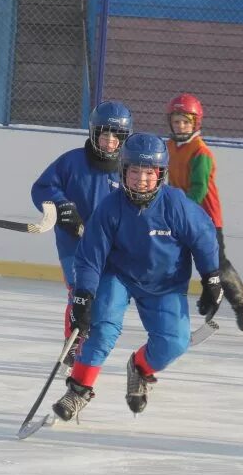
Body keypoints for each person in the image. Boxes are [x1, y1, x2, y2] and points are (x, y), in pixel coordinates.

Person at [50, 133, 221, 421]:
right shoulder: (109, 208)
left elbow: (204, 238)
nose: (141, 179)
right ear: (124, 172)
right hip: (119, 275)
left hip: (164, 283)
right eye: (134, 172)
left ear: (160, 174)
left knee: (174, 343)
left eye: (148, 173)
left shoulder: (176, 205)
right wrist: (83, 296)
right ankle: (78, 390)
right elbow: (90, 256)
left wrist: (211, 279)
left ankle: (140, 368)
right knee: (101, 328)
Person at [31, 101, 133, 368]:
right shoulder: (72, 162)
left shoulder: (129, 169)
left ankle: (91, 337)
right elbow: (42, 188)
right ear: (93, 132)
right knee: (79, 290)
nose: (109, 141)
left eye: (116, 136)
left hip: (111, 247)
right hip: (73, 244)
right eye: (104, 133)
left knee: (103, 294)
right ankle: (74, 340)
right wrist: (62, 207)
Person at [165, 93, 243, 334]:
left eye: (185, 121)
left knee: (217, 263)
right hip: (180, 215)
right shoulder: (169, 147)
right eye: (176, 121)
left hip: (206, 218)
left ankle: (242, 306)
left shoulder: (200, 152)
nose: (180, 126)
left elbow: (198, 189)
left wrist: (177, 207)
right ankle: (188, 302)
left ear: (195, 123)